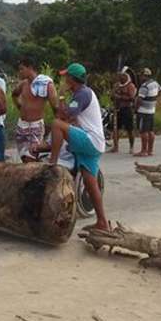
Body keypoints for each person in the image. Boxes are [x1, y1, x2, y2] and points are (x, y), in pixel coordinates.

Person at [47, 63, 108, 231]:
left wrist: (59, 96)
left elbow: (62, 117)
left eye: (66, 77)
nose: (64, 79)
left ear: (72, 79)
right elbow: (67, 116)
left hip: (90, 139)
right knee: (90, 183)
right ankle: (102, 221)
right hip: (96, 142)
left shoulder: (82, 94)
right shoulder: (80, 94)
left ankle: (52, 163)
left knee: (57, 124)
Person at [11, 57, 58, 162]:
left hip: (35, 125)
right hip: (22, 124)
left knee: (31, 157)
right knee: (24, 157)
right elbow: (14, 94)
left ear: (30, 68)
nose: (20, 72)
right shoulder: (23, 84)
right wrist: (20, 107)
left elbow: (55, 106)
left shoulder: (46, 84)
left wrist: (58, 126)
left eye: (22, 69)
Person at [134, 68, 161, 157]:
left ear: (144, 76)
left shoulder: (144, 86)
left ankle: (144, 151)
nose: (140, 77)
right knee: (150, 131)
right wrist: (154, 99)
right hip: (151, 110)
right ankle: (150, 150)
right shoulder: (155, 83)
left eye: (141, 75)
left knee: (143, 131)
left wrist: (135, 109)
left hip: (143, 111)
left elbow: (139, 99)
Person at [110, 68, 137, 154]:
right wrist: (113, 96)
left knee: (130, 129)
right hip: (117, 109)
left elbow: (132, 98)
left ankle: (131, 147)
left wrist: (120, 97)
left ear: (126, 77)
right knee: (116, 129)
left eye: (121, 76)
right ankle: (115, 147)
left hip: (127, 109)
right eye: (119, 77)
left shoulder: (130, 86)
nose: (120, 78)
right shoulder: (117, 85)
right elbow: (112, 96)